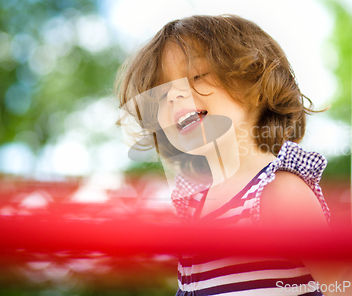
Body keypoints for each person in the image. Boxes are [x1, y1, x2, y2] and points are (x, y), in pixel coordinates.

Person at [116, 15, 330, 296]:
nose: (173, 96)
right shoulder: (194, 210)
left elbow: (350, 285)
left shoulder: (279, 193)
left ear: (257, 87)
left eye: (196, 76)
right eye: (161, 92)